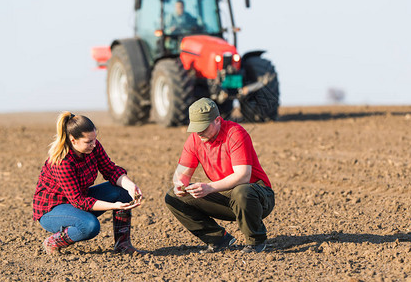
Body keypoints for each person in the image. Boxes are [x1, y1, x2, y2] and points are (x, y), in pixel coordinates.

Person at [165, 98, 275, 253]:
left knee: (242, 191)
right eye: (195, 128)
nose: (199, 132)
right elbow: (180, 175)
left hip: (257, 196)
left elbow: (243, 176)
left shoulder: (235, 133)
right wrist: (179, 185)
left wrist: (209, 187)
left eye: (203, 127)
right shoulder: (195, 140)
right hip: (224, 194)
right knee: (173, 197)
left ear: (217, 120)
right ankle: (218, 239)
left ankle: (256, 241)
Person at [32, 112, 146, 255]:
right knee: (89, 225)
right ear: (73, 140)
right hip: (52, 209)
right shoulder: (62, 161)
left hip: (77, 200)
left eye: (94, 139)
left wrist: (130, 186)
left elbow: (110, 169)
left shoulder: (93, 147)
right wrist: (114, 206)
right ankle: (54, 241)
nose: (93, 144)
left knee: (122, 192)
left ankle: (122, 245)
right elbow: (79, 201)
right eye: (88, 142)